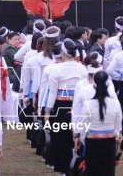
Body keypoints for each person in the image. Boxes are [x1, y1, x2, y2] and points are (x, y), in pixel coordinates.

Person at [45, 39, 88, 173]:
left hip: (60, 105)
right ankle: (76, 166)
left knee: (60, 137)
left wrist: (47, 112)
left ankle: (63, 167)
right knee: (77, 134)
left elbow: (52, 92)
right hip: (77, 105)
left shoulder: (56, 69)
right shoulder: (82, 68)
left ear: (63, 52)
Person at [75, 70, 122, 176]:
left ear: (94, 85)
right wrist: (116, 136)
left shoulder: (88, 104)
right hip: (109, 142)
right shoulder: (115, 104)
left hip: (92, 142)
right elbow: (117, 126)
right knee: (108, 171)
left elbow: (83, 129)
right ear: (108, 84)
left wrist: (83, 140)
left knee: (93, 171)